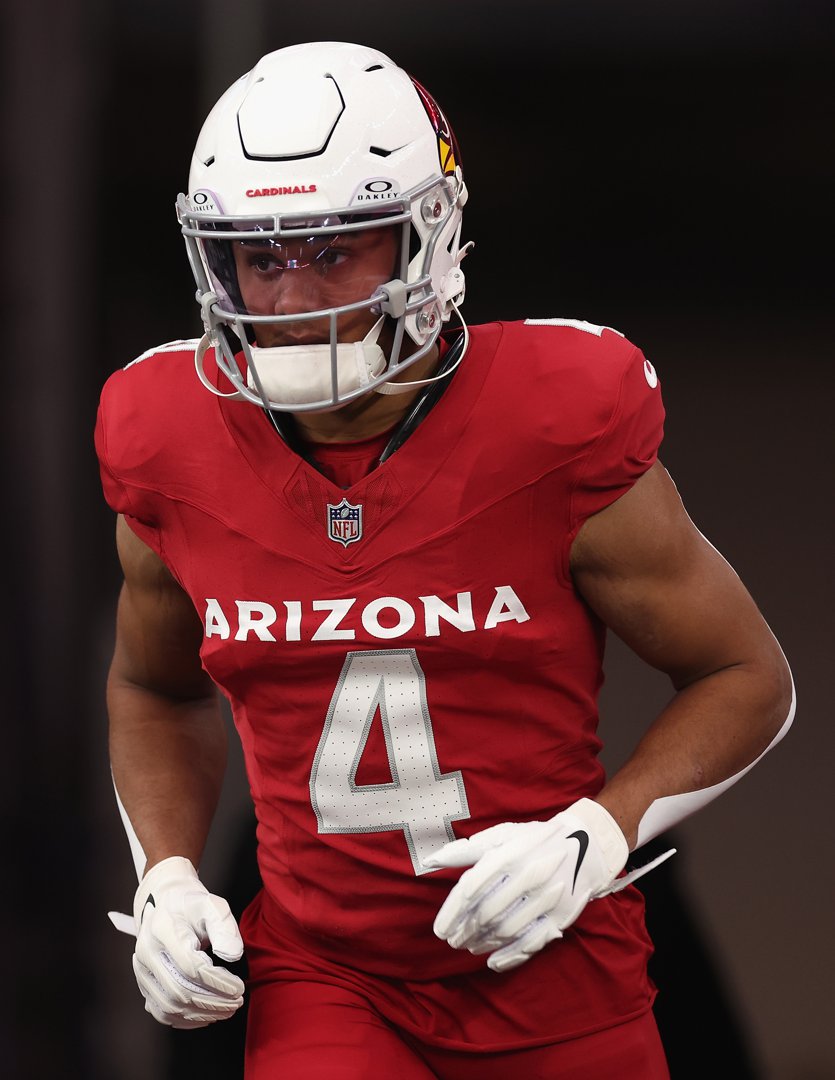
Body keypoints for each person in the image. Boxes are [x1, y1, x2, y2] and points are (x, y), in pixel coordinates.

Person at [96, 41, 795, 1079]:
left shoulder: (556, 419)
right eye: (260, 255)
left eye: (332, 249)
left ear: (427, 231)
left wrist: (594, 837)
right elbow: (155, 689)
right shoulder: (166, 435)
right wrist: (166, 877)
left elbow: (748, 678)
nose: (289, 300)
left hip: (553, 959)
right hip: (326, 974)